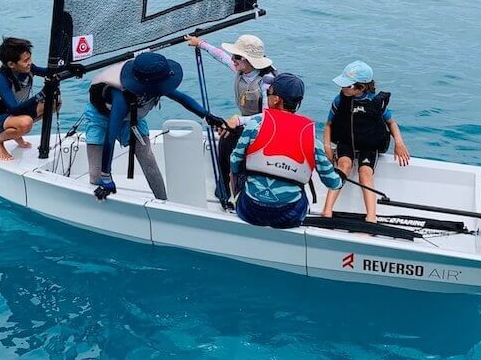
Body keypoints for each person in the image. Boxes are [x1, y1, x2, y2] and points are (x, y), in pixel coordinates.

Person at [86, 52, 224, 201]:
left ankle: (163, 202)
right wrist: (106, 175)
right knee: (96, 174)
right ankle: (99, 200)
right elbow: (110, 137)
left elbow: (181, 98)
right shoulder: (120, 97)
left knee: (148, 159)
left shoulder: (156, 80)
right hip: (102, 119)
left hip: (133, 118)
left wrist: (207, 116)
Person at [229, 73, 342, 228]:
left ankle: (232, 203)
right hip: (289, 215)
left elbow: (235, 162)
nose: (266, 96)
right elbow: (332, 182)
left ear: (276, 100)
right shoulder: (310, 135)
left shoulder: (256, 122)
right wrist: (340, 176)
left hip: (250, 210)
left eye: (268, 93)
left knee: (235, 170)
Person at [184, 33, 276, 198]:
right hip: (245, 122)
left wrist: (237, 121)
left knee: (241, 154)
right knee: (225, 143)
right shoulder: (241, 69)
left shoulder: (267, 82)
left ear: (250, 61)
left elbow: (267, 117)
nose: (233, 58)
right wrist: (200, 43)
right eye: (234, 55)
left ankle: (245, 191)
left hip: (265, 128)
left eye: (237, 56)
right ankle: (225, 190)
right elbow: (221, 56)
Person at [321, 60, 410, 223]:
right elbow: (329, 125)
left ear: (361, 87)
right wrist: (327, 146)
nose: (342, 88)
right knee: (344, 166)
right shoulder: (339, 100)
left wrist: (399, 143)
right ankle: (327, 211)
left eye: (346, 85)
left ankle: (371, 216)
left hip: (369, 146)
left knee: (365, 173)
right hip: (346, 143)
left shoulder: (375, 102)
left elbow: (391, 122)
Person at [0, 37, 51, 161]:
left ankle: (16, 133)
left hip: (10, 114)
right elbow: (14, 110)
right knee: (26, 123)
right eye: (26, 60)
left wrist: (70, 67)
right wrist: (40, 96)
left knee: (54, 102)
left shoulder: (24, 67)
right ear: (11, 64)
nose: (30, 63)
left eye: (30, 58)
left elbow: (48, 72)